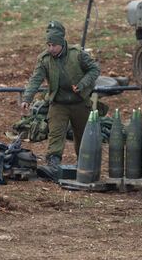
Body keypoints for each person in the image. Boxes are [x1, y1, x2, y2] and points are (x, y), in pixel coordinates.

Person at [19, 20, 100, 178]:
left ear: (61, 43)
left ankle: (85, 165)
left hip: (80, 103)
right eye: (48, 45)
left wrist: (82, 84)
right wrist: (27, 98)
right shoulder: (44, 59)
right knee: (55, 133)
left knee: (83, 136)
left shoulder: (78, 55)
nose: (51, 49)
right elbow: (36, 79)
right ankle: (53, 165)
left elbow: (94, 69)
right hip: (58, 103)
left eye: (54, 45)